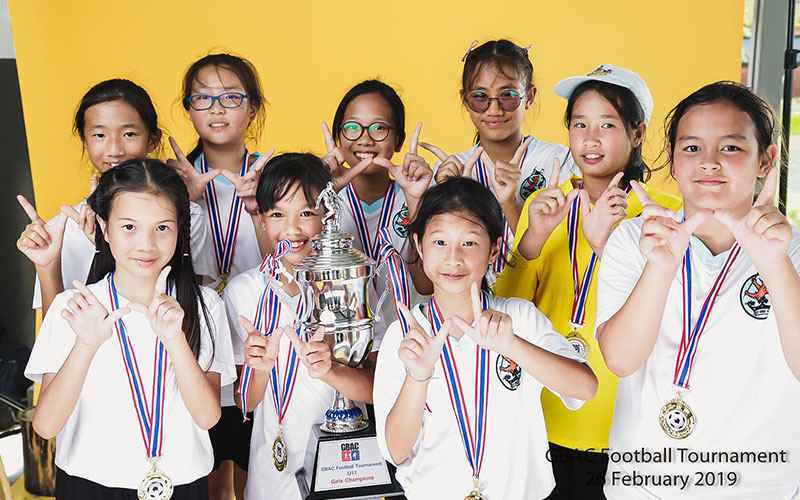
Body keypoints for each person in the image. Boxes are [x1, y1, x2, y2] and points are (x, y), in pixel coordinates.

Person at [596, 81, 800, 499]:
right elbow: (620, 360)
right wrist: (660, 267)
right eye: (691, 148)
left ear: (767, 159)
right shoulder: (634, 239)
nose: (709, 163)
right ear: (671, 159)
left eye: (730, 148)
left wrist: (774, 265)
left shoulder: (790, 249)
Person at [494, 64, 681, 499]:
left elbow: (676, 316)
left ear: (638, 133)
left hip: (626, 420)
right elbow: (505, 311)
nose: (590, 139)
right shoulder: (547, 204)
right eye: (579, 124)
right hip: (545, 414)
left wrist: (606, 247)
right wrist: (533, 239)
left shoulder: (666, 214)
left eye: (607, 124)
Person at [374, 177, 597, 499]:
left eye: (469, 243)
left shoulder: (519, 318)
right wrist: (418, 376)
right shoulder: (406, 335)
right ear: (419, 245)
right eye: (439, 242)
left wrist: (512, 346)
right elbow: (396, 451)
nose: (454, 257)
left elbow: (585, 387)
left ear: (493, 249)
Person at [24, 159, 235, 498]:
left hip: (181, 482)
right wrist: (86, 344)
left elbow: (208, 418)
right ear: (104, 229)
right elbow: (46, 426)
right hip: (89, 483)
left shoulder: (204, 304)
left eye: (162, 228)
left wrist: (175, 340)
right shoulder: (73, 306)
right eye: (129, 227)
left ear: (181, 228)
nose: (146, 244)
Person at [225, 153, 378, 499]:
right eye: (277, 214)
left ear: (328, 216)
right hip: (272, 474)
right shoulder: (244, 291)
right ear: (262, 221)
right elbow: (245, 404)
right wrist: (258, 367)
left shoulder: (352, 281)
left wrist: (331, 371)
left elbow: (378, 391)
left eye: (307, 213)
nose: (292, 228)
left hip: (349, 470)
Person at [170, 52, 269, 499]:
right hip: (198, 349)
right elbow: (167, 265)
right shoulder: (167, 181)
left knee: (259, 470)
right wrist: (186, 201)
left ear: (253, 107)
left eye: (231, 97)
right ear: (188, 108)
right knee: (207, 476)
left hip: (260, 350)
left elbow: (283, 264)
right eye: (203, 98)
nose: (216, 109)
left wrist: (257, 211)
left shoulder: (274, 175)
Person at [15, 79, 186, 317]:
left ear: (153, 139)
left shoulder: (183, 217)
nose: (114, 149)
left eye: (128, 133)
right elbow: (54, 337)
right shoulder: (61, 229)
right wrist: (48, 266)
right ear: (84, 141)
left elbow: (195, 304)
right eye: (99, 135)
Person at [423, 39, 578, 277]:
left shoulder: (559, 161)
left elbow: (567, 255)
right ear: (465, 99)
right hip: (475, 307)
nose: (494, 109)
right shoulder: (451, 170)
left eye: (508, 95)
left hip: (544, 304)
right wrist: (450, 193)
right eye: (480, 97)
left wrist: (511, 203)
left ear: (530, 96)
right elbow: (437, 264)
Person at [321, 79, 434, 336]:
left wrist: (415, 201)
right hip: (339, 341)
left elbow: (426, 285)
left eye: (379, 128)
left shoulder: (417, 198)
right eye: (352, 127)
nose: (365, 139)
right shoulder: (323, 200)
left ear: (399, 139)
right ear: (339, 135)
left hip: (408, 339)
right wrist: (323, 194)